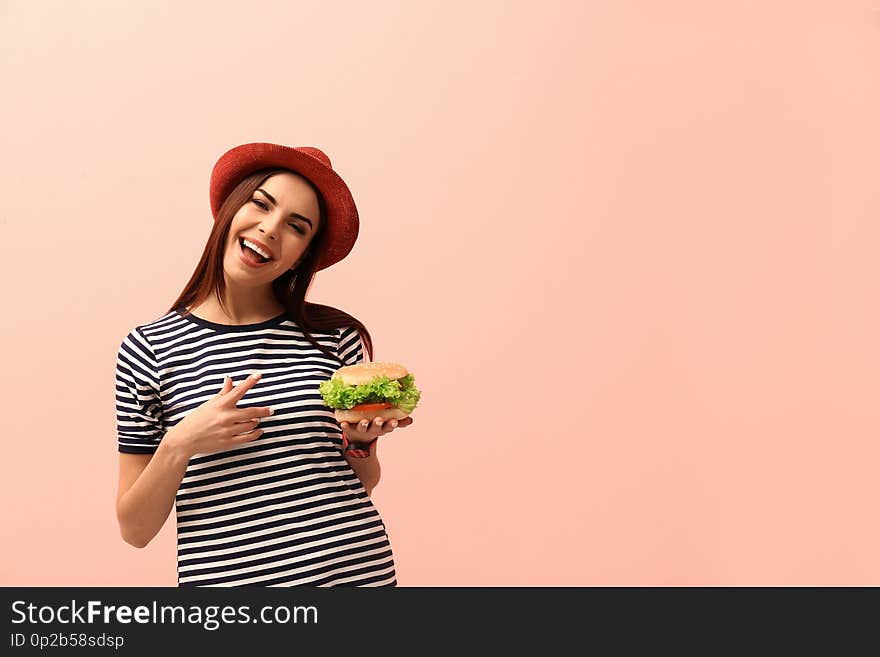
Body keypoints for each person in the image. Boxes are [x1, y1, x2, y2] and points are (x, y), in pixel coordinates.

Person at [114, 142, 412, 586]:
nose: (271, 229)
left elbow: (362, 482)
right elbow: (134, 530)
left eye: (296, 226)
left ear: (303, 255)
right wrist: (181, 443)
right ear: (231, 210)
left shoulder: (335, 338)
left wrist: (358, 442)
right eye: (261, 204)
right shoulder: (148, 350)